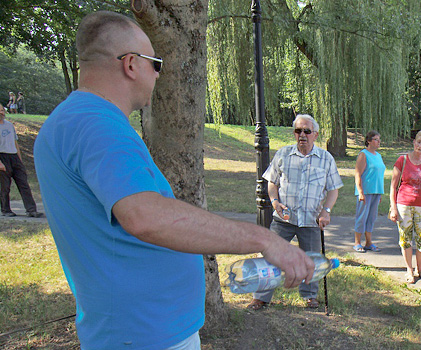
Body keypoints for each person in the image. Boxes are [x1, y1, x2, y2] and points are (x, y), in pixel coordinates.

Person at [33, 11, 314, 349]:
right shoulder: (98, 125)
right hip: (145, 332)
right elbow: (146, 216)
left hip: (131, 328)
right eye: (157, 64)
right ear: (132, 65)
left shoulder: (68, 121)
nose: (157, 75)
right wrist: (265, 239)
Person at [253, 113, 343, 310]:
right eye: (298, 130)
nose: (302, 135)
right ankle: (261, 297)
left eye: (307, 131)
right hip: (283, 219)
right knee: (271, 256)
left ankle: (310, 296)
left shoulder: (326, 159)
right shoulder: (283, 154)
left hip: (311, 220)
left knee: (311, 260)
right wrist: (275, 202)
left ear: (315, 135)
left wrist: (326, 211)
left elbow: (333, 188)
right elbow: (272, 183)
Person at [389, 130, 421, 283]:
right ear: (414, 142)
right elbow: (393, 186)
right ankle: (409, 269)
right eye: (418, 142)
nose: (420, 145)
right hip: (404, 205)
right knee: (405, 239)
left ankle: (420, 268)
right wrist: (393, 207)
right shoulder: (402, 160)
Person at [0, 107, 42, 217]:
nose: (2, 112)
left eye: (2, 110)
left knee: (24, 184)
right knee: (5, 186)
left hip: (13, 156)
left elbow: (15, 142)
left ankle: (31, 210)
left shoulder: (9, 125)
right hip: (2, 156)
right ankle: (6, 210)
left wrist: (19, 159)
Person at [353, 130, 385, 253]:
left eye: (379, 139)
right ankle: (357, 242)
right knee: (362, 216)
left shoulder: (378, 155)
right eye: (376, 139)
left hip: (376, 191)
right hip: (365, 191)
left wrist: (380, 193)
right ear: (369, 141)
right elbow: (358, 174)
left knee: (371, 217)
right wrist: (360, 191)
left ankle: (368, 242)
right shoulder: (363, 154)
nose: (379, 142)